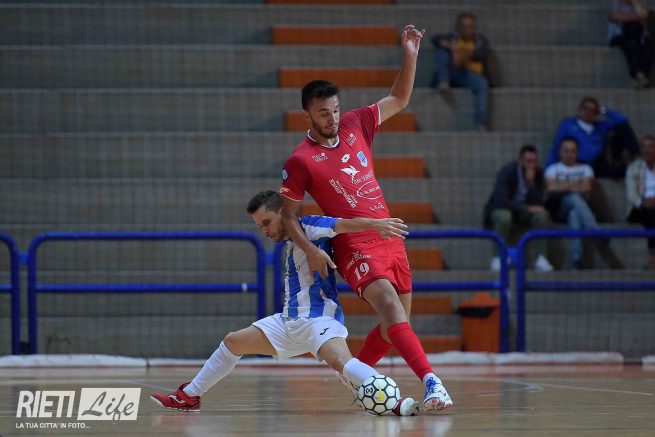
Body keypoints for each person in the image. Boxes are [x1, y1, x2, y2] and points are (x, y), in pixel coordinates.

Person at [279, 24, 453, 412]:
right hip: (353, 242)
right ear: (307, 114)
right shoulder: (300, 160)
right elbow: (288, 217)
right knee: (390, 309)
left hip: (389, 233)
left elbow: (399, 98)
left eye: (335, 110)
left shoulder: (356, 123)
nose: (332, 118)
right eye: (323, 113)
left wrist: (410, 55)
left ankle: (360, 382)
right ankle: (433, 383)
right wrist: (311, 249)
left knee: (396, 325)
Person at [151, 190, 420, 416]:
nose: (264, 230)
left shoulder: (309, 226)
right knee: (233, 341)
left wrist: (376, 224)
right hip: (288, 322)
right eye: (260, 226)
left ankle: (396, 402)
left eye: (267, 222)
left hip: (317, 320)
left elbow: (343, 224)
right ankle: (189, 396)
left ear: (283, 212)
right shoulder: (291, 242)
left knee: (342, 363)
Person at [484, 144, 553, 272]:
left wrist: (531, 184)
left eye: (534, 162)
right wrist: (527, 209)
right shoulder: (507, 172)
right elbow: (501, 201)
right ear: (520, 161)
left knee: (542, 216)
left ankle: (540, 258)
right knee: (504, 216)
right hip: (502, 209)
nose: (531, 165)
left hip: (522, 212)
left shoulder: (539, 174)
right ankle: (497, 257)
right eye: (528, 161)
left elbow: (540, 203)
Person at [546, 96, 640, 178]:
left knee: (623, 129)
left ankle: (637, 159)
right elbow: (557, 146)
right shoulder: (568, 124)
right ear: (580, 110)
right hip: (575, 162)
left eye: (592, 110)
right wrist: (549, 166)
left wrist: (603, 110)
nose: (588, 112)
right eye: (586, 108)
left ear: (596, 113)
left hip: (595, 164)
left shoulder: (601, 126)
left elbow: (623, 121)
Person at [545, 137, 602, 269]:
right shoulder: (552, 169)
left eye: (572, 151)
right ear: (560, 152)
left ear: (577, 153)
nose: (569, 154)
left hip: (580, 209)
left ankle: (576, 258)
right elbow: (551, 188)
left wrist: (563, 185)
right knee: (574, 198)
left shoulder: (586, 168)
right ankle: (595, 231)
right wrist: (576, 185)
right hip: (559, 208)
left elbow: (587, 187)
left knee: (574, 214)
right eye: (566, 151)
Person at [431, 12, 491, 130]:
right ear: (458, 28)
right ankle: (443, 82)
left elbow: (481, 54)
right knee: (441, 52)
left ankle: (480, 122)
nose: (468, 30)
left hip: (468, 74)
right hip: (451, 72)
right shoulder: (452, 38)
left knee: (482, 84)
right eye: (464, 27)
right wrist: (451, 47)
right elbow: (435, 39)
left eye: (471, 27)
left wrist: (460, 54)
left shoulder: (480, 41)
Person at [608, 0, 653, 89]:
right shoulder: (615, 3)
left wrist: (634, 3)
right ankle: (639, 75)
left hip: (637, 35)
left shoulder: (639, 3)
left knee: (649, 44)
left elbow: (645, 15)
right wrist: (636, 18)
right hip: (619, 35)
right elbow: (614, 16)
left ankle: (643, 75)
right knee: (631, 46)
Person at [626, 134, 655, 269]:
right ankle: (653, 256)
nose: (646, 150)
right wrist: (643, 202)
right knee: (651, 213)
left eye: (650, 147)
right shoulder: (634, 168)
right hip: (638, 208)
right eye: (643, 147)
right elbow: (631, 194)